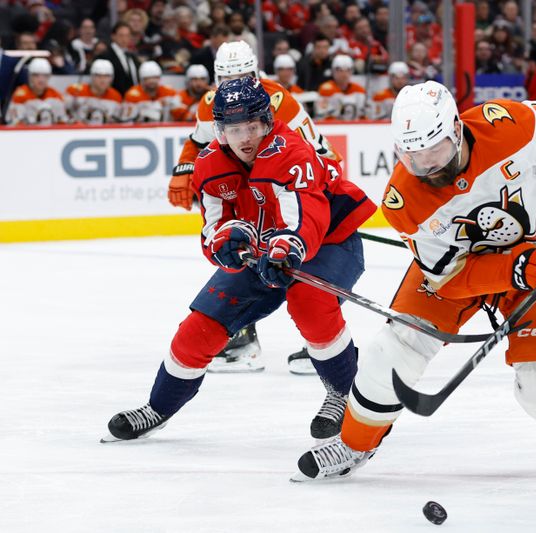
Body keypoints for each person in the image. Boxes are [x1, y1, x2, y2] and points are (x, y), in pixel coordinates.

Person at [291, 80, 536, 481]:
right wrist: (516, 266)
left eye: (436, 151)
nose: (427, 166)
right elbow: (448, 279)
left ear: (456, 130)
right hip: (463, 269)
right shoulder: (404, 199)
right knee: (390, 354)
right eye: (413, 157)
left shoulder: (509, 127)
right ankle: (354, 443)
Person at [102, 77, 377, 444]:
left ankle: (343, 395)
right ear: (219, 130)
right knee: (200, 326)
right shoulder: (209, 163)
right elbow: (212, 229)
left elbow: (307, 218)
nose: (245, 137)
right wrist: (225, 244)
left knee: (310, 302)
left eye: (252, 126)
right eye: (233, 129)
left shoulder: (291, 150)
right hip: (265, 249)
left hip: (328, 242)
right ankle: (159, 406)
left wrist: (286, 247)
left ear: (267, 121)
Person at [168, 40, 341, 374]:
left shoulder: (279, 101)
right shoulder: (212, 103)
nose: (233, 87)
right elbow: (199, 141)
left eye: (243, 76)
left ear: (256, 73)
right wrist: (184, 169)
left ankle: (321, 339)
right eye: (226, 79)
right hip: (256, 186)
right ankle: (244, 337)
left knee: (300, 251)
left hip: (303, 178)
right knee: (237, 247)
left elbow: (308, 155)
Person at [5, 58, 68, 125]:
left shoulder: (55, 94)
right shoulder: (20, 94)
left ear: (49, 77)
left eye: (45, 75)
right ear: (30, 76)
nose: (41, 79)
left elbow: (63, 121)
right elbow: (12, 121)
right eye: (36, 75)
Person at [64, 59, 122, 124]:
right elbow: (64, 115)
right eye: (99, 76)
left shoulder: (116, 96)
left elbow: (116, 122)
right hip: (79, 131)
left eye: (107, 76)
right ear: (92, 76)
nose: (103, 80)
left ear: (112, 78)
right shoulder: (75, 91)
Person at [315, 54, 367, 121]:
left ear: (352, 71)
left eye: (348, 70)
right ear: (333, 71)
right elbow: (322, 116)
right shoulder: (326, 89)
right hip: (334, 128)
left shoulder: (359, 90)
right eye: (340, 70)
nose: (344, 74)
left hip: (355, 128)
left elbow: (364, 116)